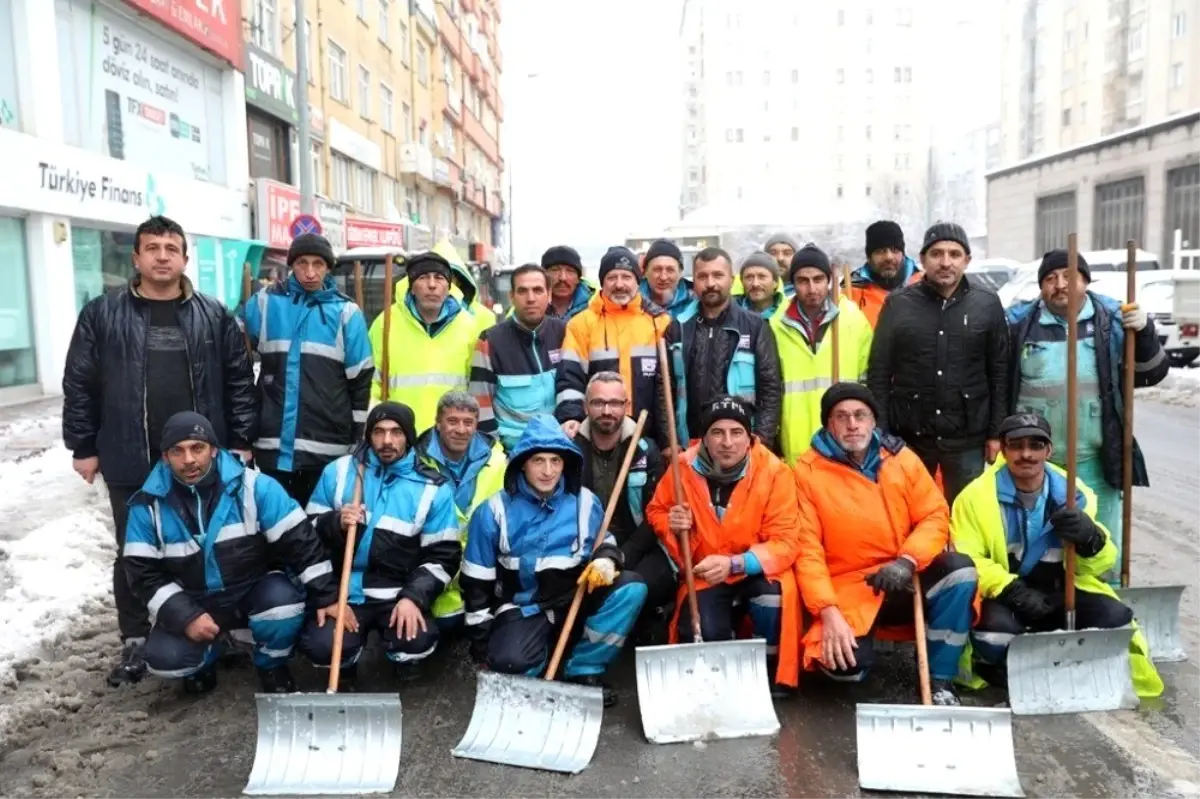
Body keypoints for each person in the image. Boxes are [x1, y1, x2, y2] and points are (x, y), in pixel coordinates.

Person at [62, 215, 258, 687]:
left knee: (206, 542)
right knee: (135, 549)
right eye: (153, 248)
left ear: (185, 258)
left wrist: (241, 441)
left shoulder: (214, 315)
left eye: (171, 248)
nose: (163, 256)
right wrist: (83, 445)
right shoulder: (102, 314)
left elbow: (239, 381)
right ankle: (135, 637)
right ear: (137, 257)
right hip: (130, 454)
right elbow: (80, 383)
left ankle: (214, 627)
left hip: (200, 458)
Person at [122, 412, 339, 694]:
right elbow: (141, 575)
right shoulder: (146, 506)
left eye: (197, 448)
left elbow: (300, 541)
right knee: (166, 660)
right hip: (194, 599)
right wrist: (186, 618)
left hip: (253, 590)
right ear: (165, 457)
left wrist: (327, 596)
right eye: (178, 451)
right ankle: (209, 653)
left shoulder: (255, 487)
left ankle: (270, 665)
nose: (188, 459)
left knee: (283, 606)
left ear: (213, 449)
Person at [951, 413, 1163, 698]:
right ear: (1003, 449)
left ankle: (1061, 664)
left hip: (1063, 592)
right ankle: (1004, 668)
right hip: (1006, 597)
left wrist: (1091, 538)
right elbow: (968, 557)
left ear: (1049, 450)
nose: (1026, 454)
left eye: (1035, 445)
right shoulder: (975, 497)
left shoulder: (1075, 494)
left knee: (1117, 621)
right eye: (1016, 445)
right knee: (993, 633)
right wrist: (1013, 591)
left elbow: (1099, 564)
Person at [793, 384, 978, 705]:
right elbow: (807, 551)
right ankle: (863, 648)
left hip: (907, 574)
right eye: (842, 417)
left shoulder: (901, 458)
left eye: (861, 415)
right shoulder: (806, 473)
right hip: (850, 586)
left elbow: (934, 515)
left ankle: (941, 680)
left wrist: (907, 560)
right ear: (828, 425)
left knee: (959, 572)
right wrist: (827, 612)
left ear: (873, 421)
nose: (853, 424)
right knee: (844, 668)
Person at [461, 415, 648, 707]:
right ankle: (540, 655)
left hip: (576, 598)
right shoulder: (493, 511)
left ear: (566, 463)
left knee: (631, 587)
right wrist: (483, 646)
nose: (548, 471)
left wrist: (607, 560)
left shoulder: (585, 502)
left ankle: (583, 670)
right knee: (511, 665)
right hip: (525, 607)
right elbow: (476, 581)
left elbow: (605, 540)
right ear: (522, 462)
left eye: (555, 461)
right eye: (538, 461)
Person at [1007, 250, 1169, 582]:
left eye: (1068, 276)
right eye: (1050, 279)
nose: (1059, 285)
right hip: (1037, 463)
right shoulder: (1018, 324)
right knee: (1038, 546)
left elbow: (1151, 374)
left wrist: (1146, 332)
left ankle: (1103, 610)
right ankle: (1042, 611)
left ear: (1085, 280)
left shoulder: (1112, 319)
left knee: (1100, 543)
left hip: (1096, 460)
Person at [647, 396, 803, 695]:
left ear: (750, 437)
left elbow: (786, 541)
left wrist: (736, 563)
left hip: (756, 571)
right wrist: (672, 523)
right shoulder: (681, 469)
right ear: (704, 438)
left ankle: (766, 675)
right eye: (717, 433)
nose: (727, 442)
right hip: (705, 574)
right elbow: (657, 511)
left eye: (736, 432)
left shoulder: (775, 473)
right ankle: (724, 673)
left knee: (773, 601)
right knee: (704, 635)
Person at [300, 402, 461, 686]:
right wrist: (334, 523)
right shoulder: (337, 473)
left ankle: (402, 661)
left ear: (409, 436)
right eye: (379, 432)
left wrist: (413, 597)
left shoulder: (432, 488)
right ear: (368, 436)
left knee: (415, 638)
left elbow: (443, 555)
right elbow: (306, 535)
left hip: (396, 594)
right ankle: (345, 665)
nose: (387, 441)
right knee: (321, 644)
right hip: (344, 592)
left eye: (396, 432)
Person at [867, 222, 1010, 505]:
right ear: (922, 259)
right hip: (910, 436)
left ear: (967, 260)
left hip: (968, 437)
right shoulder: (899, 305)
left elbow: (999, 372)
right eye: (937, 254)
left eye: (954, 254)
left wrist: (996, 433)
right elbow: (879, 373)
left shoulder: (987, 304)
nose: (946, 262)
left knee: (967, 513)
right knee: (910, 510)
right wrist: (880, 432)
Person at [242, 233, 374, 506]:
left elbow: (360, 382)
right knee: (277, 532)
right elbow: (237, 358)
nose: (310, 272)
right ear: (292, 265)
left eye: (318, 264)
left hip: (328, 447)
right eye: (302, 263)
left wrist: (358, 439)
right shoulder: (266, 303)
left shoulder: (345, 313)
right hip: (272, 444)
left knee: (321, 532)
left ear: (328, 268)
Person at [571, 373, 673, 639]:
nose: (607, 411)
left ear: (626, 406)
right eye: (599, 403)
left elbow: (655, 515)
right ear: (585, 407)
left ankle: (642, 627)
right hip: (585, 542)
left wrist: (620, 556)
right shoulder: (568, 449)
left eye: (615, 403)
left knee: (644, 582)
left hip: (637, 545)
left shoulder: (645, 450)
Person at [662, 246, 782, 453]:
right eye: (703, 276)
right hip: (690, 444)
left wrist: (761, 441)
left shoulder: (755, 327)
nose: (710, 283)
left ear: (732, 279)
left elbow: (770, 390)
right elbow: (664, 389)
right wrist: (668, 440)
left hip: (741, 445)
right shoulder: (678, 328)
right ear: (695, 281)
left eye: (718, 275)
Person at [555, 246, 675, 444]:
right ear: (602, 282)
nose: (619, 284)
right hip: (597, 435)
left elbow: (669, 388)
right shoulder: (581, 324)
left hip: (648, 436)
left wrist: (667, 439)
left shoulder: (660, 323)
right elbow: (570, 378)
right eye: (612, 277)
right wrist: (572, 417)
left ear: (638, 281)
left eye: (626, 277)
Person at [771, 244, 873, 465]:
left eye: (818, 279)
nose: (811, 288)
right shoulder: (776, 325)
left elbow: (869, 379)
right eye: (802, 280)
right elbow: (771, 388)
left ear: (828, 280)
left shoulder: (853, 319)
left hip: (845, 436)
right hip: (796, 439)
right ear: (793, 282)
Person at [414, 392, 506, 630]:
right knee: (446, 626)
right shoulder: (415, 462)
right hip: (433, 562)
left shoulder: (497, 460)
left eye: (468, 422)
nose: (461, 429)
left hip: (482, 562)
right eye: (452, 421)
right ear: (438, 422)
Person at [369, 251, 478, 432]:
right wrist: (376, 426)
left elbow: (476, 387)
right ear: (411, 287)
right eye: (423, 277)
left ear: (449, 287)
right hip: (399, 435)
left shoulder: (469, 326)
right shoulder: (386, 323)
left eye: (439, 278)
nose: (432, 285)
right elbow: (371, 384)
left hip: (450, 437)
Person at [470, 263, 566, 452]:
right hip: (513, 451)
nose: (530, 298)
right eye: (522, 291)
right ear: (511, 297)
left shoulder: (566, 334)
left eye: (538, 290)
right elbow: (480, 407)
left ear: (549, 295)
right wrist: (496, 454)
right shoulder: (490, 341)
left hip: (560, 447)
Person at [846, 220, 922, 328]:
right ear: (869, 257)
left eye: (895, 250)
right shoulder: (851, 293)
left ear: (903, 254)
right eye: (880, 251)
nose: (888, 257)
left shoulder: (924, 285)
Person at [433, 239, 497, 335]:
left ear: (459, 281)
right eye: (426, 277)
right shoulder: (407, 314)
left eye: (444, 277)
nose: (433, 284)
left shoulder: (484, 318)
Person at [639, 239, 699, 322]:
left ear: (680, 273)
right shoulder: (631, 302)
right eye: (657, 269)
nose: (663, 277)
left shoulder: (696, 305)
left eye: (670, 270)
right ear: (645, 272)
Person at [542, 245, 596, 321]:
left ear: (578, 278)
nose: (562, 278)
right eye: (555, 270)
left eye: (570, 271)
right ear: (543, 276)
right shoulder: (529, 304)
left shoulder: (596, 306)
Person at [735, 251, 787, 319]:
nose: (755, 284)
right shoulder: (729, 313)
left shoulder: (788, 314)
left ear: (775, 282)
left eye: (762, 277)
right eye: (749, 277)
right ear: (742, 282)